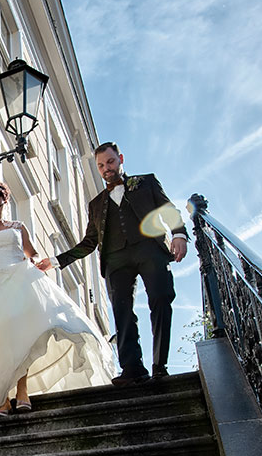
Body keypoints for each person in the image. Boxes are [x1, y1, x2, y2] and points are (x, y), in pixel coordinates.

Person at [0, 180, 115, 416]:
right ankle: (2, 399)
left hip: (16, 283)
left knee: (21, 337)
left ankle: (22, 391)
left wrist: (35, 262)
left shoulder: (18, 228)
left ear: (5, 204)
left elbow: (32, 253)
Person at [40, 142, 188, 385]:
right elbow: (89, 241)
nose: (106, 168)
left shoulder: (146, 182)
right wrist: (57, 261)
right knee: (121, 311)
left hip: (149, 249)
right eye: (100, 165)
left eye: (110, 162)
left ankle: (160, 366)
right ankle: (132, 368)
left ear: (120, 159)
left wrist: (179, 235)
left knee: (161, 299)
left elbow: (167, 209)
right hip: (115, 259)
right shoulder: (96, 204)